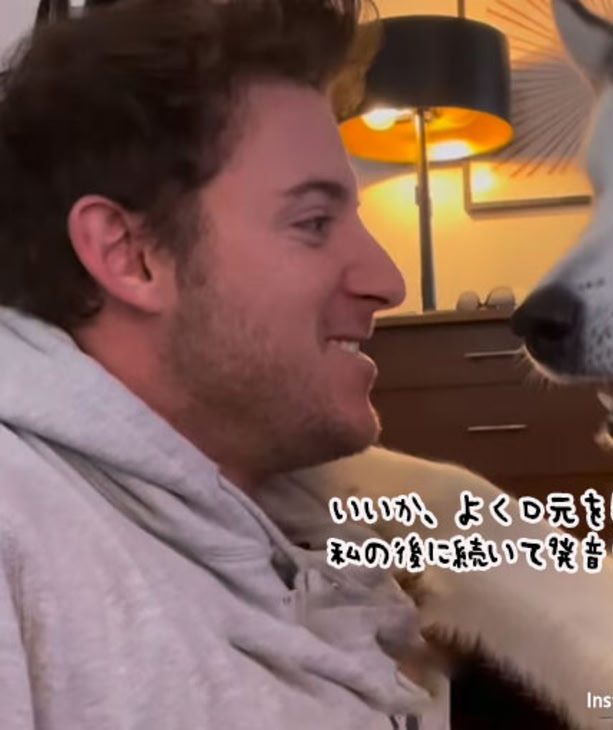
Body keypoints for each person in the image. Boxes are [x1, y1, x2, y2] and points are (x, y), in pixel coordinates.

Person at [0, 1, 449, 728]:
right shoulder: (20, 534)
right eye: (313, 223)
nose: (386, 281)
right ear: (130, 255)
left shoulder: (326, 529)